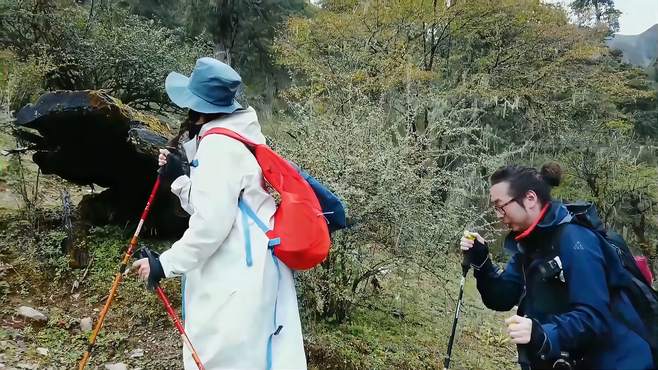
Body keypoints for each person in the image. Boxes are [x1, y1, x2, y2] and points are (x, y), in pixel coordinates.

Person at [132, 57, 307, 370]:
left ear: (197, 106)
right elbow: (217, 205)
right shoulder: (240, 136)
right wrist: (180, 180)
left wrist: (164, 264)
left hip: (236, 273)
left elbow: (211, 226)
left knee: (229, 358)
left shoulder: (219, 147)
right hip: (254, 265)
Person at [460, 163, 653, 370]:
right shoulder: (529, 243)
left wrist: (542, 334)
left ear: (530, 199)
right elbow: (503, 297)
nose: (499, 215)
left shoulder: (576, 240)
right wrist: (481, 262)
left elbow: (593, 317)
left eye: (501, 206)